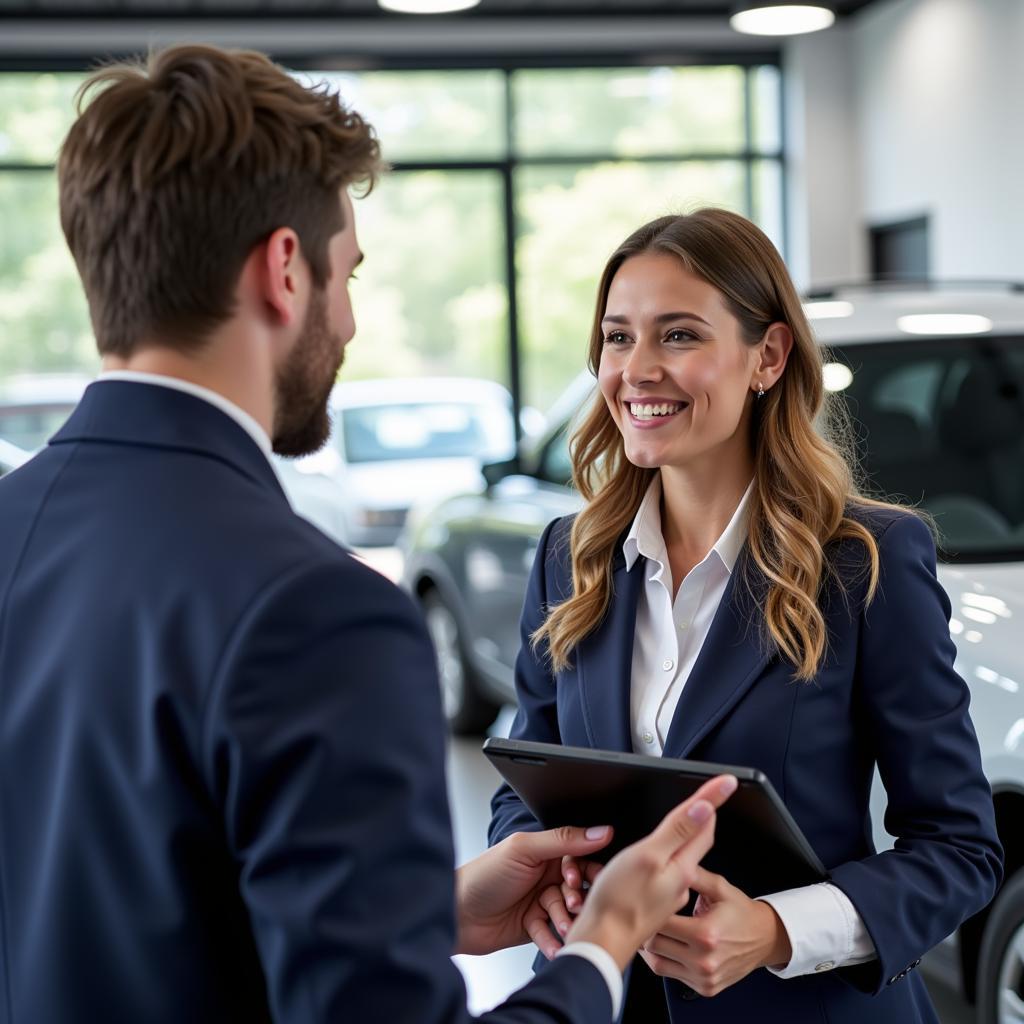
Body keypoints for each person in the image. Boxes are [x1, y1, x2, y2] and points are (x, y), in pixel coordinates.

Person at [0, 46, 740, 1024]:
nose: (346, 320)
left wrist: (418, 912)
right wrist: (602, 946)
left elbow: (113, 906)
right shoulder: (315, 610)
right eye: (346, 273)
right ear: (283, 270)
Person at [488, 208, 1004, 1024]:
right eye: (618, 338)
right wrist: (541, 872)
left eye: (680, 336)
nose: (638, 369)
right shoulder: (570, 557)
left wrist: (773, 930)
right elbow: (531, 778)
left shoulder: (867, 561)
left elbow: (959, 849)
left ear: (767, 357)